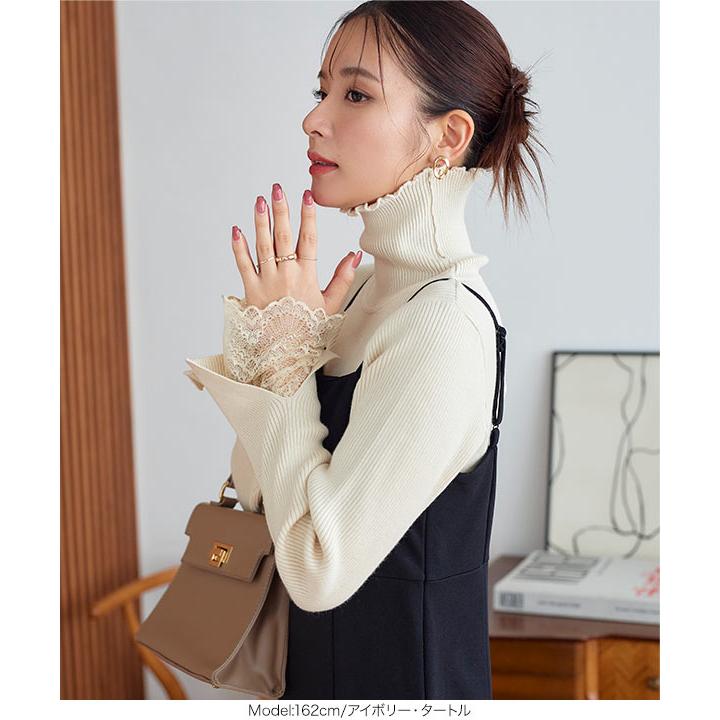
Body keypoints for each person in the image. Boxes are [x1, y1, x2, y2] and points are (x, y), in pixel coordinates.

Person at [184, 0, 548, 700]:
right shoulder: (361, 292)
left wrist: (287, 366)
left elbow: (316, 568)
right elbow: (259, 493)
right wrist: (278, 351)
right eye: (321, 90)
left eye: (356, 95)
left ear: (449, 137)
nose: (313, 119)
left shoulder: (444, 321)